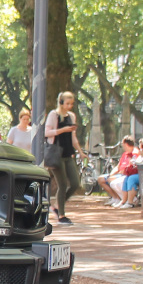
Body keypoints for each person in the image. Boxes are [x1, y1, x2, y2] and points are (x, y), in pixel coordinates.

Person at [45, 91, 86, 225]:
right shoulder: (54, 115)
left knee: (75, 183)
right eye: (67, 103)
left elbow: (73, 137)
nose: (69, 106)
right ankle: (61, 215)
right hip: (57, 153)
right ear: (61, 103)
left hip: (68, 153)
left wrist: (80, 151)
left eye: (71, 103)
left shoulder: (71, 116)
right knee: (62, 185)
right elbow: (46, 132)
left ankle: (57, 206)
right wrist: (63, 130)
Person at [97, 136, 138, 208]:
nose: (123, 147)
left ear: (126, 144)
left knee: (112, 180)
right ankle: (117, 198)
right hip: (120, 174)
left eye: (123, 145)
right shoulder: (125, 154)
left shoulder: (134, 153)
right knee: (101, 179)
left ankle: (123, 199)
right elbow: (118, 166)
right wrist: (111, 174)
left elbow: (132, 165)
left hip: (126, 174)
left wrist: (122, 171)